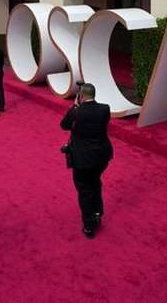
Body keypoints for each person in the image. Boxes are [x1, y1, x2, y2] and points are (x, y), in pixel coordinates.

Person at [59, 83, 113, 239]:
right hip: (102, 157)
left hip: (83, 159)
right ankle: (97, 213)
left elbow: (64, 125)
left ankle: (89, 225)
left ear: (80, 96)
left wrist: (75, 107)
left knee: (84, 191)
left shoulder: (76, 112)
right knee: (95, 183)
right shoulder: (105, 109)